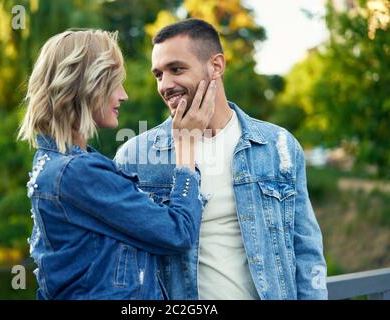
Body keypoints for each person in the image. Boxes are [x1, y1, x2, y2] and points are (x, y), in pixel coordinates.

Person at [115, 19, 328, 300]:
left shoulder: (278, 145)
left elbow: (307, 250)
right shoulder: (135, 156)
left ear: (216, 66)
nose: (165, 85)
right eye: (158, 74)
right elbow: (123, 266)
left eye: (176, 69)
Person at [17, 29, 217, 299]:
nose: (123, 95)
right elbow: (178, 232)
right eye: (115, 84)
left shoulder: (52, 162)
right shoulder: (77, 172)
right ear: (89, 84)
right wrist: (185, 149)